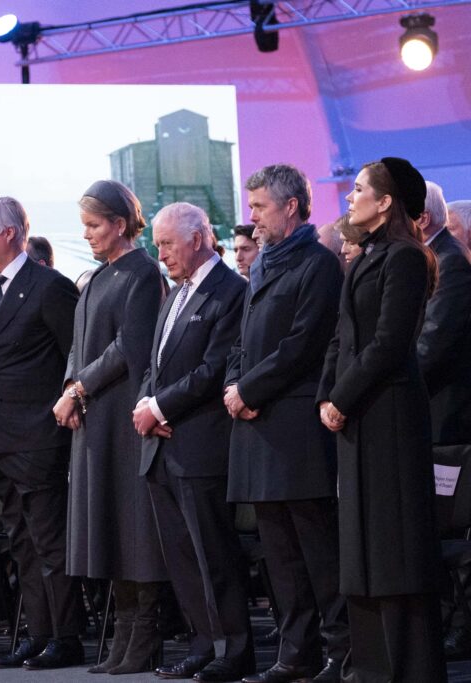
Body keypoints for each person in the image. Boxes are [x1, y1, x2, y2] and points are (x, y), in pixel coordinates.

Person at [318, 157, 445, 681]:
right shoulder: (369, 253)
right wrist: (327, 395)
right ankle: (370, 668)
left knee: (394, 549)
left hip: (388, 413)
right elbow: (344, 336)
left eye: (359, 190)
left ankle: (409, 669)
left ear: (386, 201)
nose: (350, 198)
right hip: (359, 414)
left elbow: (390, 343)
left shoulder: (405, 258)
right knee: (363, 548)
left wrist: (341, 398)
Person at [225, 165, 348, 683]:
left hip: (295, 426)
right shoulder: (262, 266)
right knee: (279, 555)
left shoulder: (317, 265)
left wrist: (249, 390)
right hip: (258, 427)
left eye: (259, 208)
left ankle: (341, 653)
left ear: (291, 207)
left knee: (317, 551)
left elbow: (302, 345)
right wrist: (233, 386)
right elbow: (243, 339)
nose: (251, 220)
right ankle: (294, 654)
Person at [132, 202, 253, 681]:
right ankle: (203, 645)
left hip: (202, 446)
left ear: (199, 238)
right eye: (157, 244)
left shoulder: (232, 291)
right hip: (162, 447)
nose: (161, 254)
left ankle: (235, 650)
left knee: (214, 556)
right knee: (182, 559)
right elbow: (154, 366)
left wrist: (159, 408)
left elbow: (213, 369)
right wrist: (144, 405)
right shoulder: (174, 294)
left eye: (167, 243)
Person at [53, 181, 168, 674]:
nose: (89, 235)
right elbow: (78, 345)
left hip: (121, 419)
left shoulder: (142, 274)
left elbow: (130, 345)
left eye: (95, 225)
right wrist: (70, 388)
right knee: (106, 531)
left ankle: (142, 636)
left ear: (121, 224)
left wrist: (79, 389)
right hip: (93, 421)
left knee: (131, 532)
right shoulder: (98, 277)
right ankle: (122, 634)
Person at [0, 197, 83, 670]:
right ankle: (38, 632)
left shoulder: (49, 287)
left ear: (11, 233)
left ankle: (68, 635)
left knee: (50, 542)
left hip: (39, 435)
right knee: (22, 542)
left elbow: (72, 357)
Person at [417, 181, 471, 446]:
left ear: (423, 218)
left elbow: (435, 338)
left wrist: (397, 384)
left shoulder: (448, 260)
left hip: (446, 409)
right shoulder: (432, 257)